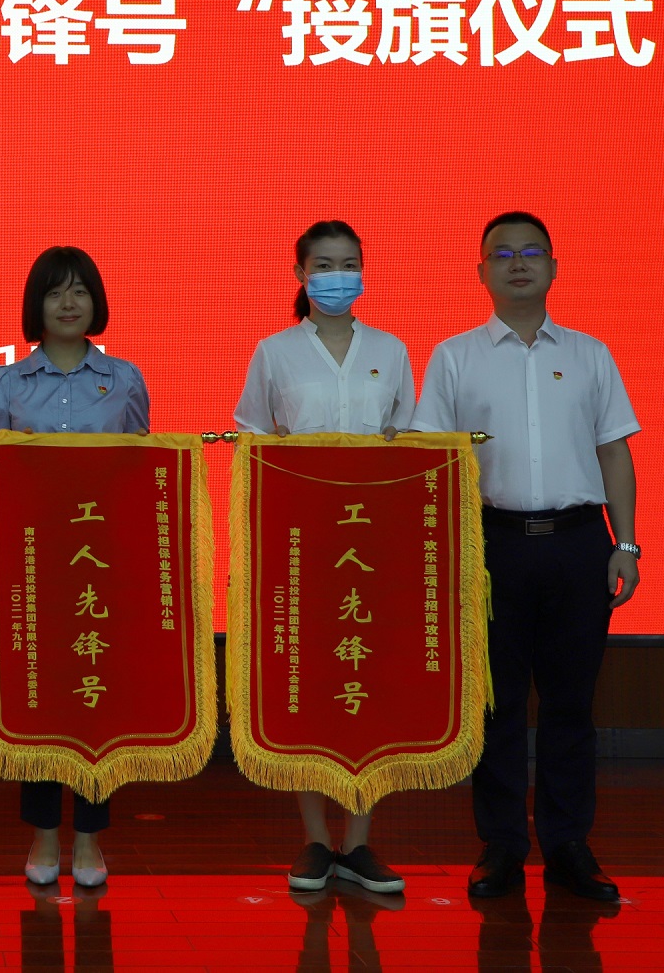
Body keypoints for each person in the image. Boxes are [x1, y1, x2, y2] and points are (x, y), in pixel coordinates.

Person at [410, 211, 641, 903]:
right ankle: (503, 844)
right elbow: (436, 463)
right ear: (480, 271)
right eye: (502, 253)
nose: (518, 263)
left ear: (554, 268)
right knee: (498, 704)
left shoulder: (591, 354)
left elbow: (613, 451)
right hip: (492, 546)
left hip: (578, 543)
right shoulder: (455, 357)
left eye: (531, 252)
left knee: (571, 702)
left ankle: (569, 844)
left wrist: (625, 543)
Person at [233, 220, 415, 895]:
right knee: (308, 685)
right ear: (301, 275)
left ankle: (360, 843)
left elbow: (410, 437)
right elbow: (252, 437)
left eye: (349, 264)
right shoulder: (275, 352)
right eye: (324, 265)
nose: (338, 276)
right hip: (302, 543)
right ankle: (314, 839)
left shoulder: (390, 350)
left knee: (369, 679)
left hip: (373, 543)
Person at [0, 246, 149, 890]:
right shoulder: (7, 384)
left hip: (101, 567)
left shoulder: (125, 379)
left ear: (95, 301)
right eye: (55, 293)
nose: (68, 303)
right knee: (40, 701)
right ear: (37, 305)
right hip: (33, 569)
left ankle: (91, 839)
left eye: (79, 290)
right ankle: (43, 834)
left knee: (95, 701)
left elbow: (142, 475)